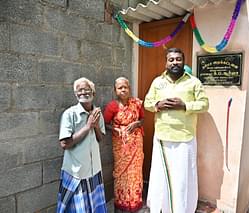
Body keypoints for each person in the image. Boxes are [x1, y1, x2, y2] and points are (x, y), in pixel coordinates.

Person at [144, 47, 209, 213]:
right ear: (166, 62)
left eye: (178, 59)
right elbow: (147, 103)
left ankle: (182, 209)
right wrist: (157, 105)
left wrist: (184, 105)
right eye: (171, 59)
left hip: (184, 138)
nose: (175, 62)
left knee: (182, 178)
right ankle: (161, 208)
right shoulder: (157, 82)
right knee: (161, 177)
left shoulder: (194, 82)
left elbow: (204, 104)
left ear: (183, 61)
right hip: (162, 137)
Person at [57, 77, 108, 213]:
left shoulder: (97, 113)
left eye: (87, 89)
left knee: (94, 207)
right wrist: (88, 126)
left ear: (93, 93)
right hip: (76, 172)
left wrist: (96, 126)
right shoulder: (69, 114)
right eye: (79, 90)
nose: (83, 92)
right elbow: (64, 143)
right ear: (76, 94)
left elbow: (101, 138)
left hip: (94, 171)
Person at [103, 77, 144, 213]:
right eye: (120, 87)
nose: (123, 90)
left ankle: (134, 202)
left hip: (136, 144)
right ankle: (121, 203)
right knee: (121, 173)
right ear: (115, 90)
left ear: (129, 88)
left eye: (125, 87)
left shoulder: (137, 103)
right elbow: (105, 124)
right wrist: (115, 129)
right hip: (120, 144)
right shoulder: (112, 106)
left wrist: (136, 123)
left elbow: (142, 119)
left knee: (135, 173)